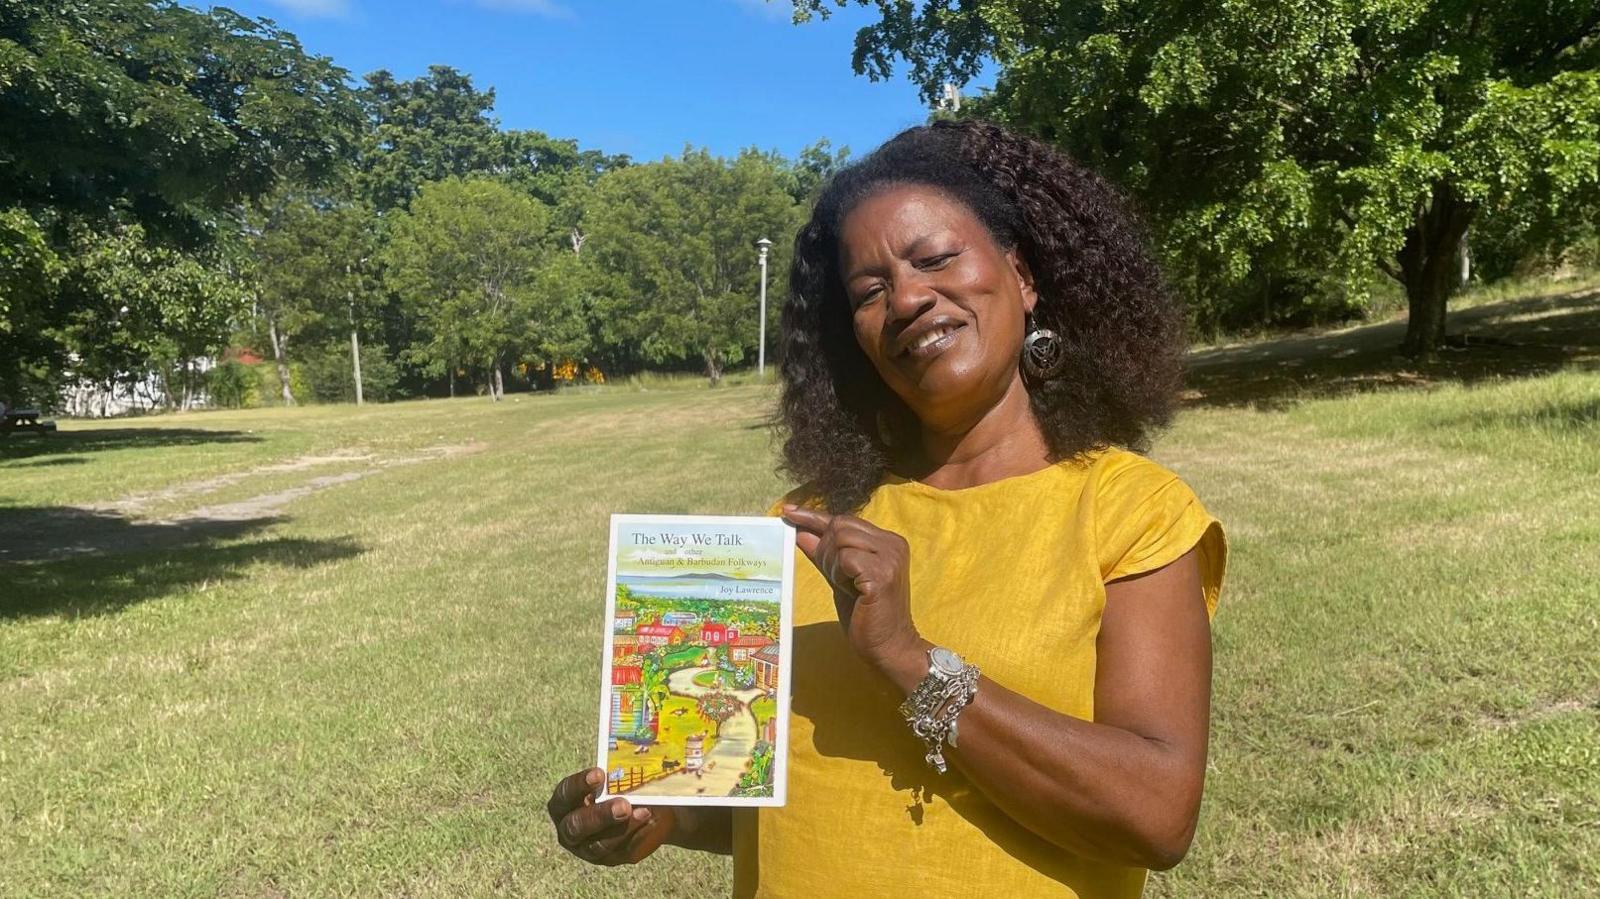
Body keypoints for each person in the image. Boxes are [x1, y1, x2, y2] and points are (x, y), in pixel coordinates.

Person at [548, 119, 1227, 898]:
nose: (906, 297)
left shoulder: (1131, 511)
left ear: (1022, 273)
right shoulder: (803, 524)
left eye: (936, 258)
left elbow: (1157, 813)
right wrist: (662, 811)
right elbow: (780, 794)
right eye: (869, 291)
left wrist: (909, 659)